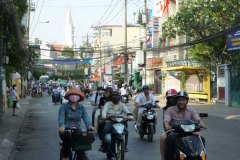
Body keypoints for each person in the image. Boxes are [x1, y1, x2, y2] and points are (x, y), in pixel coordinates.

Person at [160, 91, 207, 160]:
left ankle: (201, 157)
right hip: (175, 132)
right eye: (179, 100)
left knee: (201, 138)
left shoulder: (191, 110)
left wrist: (203, 125)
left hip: (190, 132)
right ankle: (164, 158)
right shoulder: (170, 110)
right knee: (164, 137)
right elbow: (166, 120)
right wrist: (167, 126)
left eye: (183, 100)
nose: (181, 102)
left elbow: (198, 120)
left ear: (186, 101)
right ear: (176, 101)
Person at [58, 87, 95, 160]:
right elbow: (61, 117)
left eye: (76, 94)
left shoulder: (81, 107)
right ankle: (65, 157)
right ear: (69, 96)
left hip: (78, 129)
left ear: (79, 97)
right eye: (73, 94)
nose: (74, 96)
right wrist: (62, 126)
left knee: (87, 138)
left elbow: (86, 118)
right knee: (67, 139)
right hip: (66, 129)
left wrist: (90, 126)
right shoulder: (64, 107)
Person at [101, 91, 133, 159]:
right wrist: (104, 116)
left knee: (126, 131)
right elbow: (104, 111)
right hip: (110, 121)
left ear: (119, 97)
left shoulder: (122, 104)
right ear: (111, 97)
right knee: (105, 130)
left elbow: (127, 111)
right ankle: (104, 145)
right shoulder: (107, 104)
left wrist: (130, 116)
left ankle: (125, 146)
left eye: (117, 96)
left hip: (119, 121)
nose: (116, 97)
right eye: (114, 96)